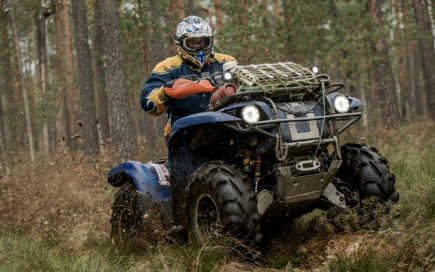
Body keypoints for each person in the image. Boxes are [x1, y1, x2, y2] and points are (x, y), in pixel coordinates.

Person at [140, 15, 237, 140]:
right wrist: (166, 92)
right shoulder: (167, 67)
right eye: (193, 42)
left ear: (210, 41)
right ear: (181, 42)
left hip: (226, 127)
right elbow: (148, 103)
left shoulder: (226, 61)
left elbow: (247, 85)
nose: (199, 48)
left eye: (203, 42)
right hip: (184, 132)